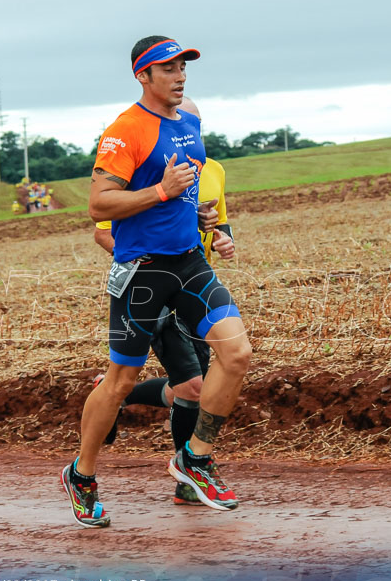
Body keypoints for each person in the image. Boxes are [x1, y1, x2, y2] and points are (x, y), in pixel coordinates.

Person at [61, 35, 251, 528]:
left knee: (237, 355)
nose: (180, 75)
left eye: (183, 66)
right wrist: (162, 191)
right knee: (120, 381)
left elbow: (187, 192)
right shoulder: (125, 132)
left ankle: (195, 459)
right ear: (143, 76)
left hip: (189, 264)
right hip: (142, 273)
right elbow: (100, 206)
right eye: (167, 68)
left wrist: (202, 215)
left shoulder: (189, 122)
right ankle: (82, 474)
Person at [92, 139, 235, 506]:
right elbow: (103, 230)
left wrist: (222, 239)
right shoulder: (144, 168)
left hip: (196, 287)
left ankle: (124, 400)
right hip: (151, 285)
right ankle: (189, 477)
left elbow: (220, 220)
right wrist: (151, 262)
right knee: (193, 387)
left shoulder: (213, 169)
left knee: (191, 388)